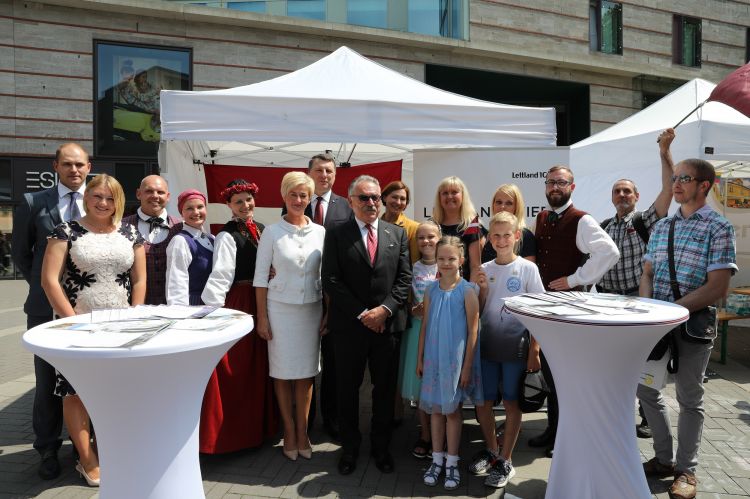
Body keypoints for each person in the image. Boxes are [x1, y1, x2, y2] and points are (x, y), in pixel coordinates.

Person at [638, 159, 736, 499]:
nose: (676, 183)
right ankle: (664, 459)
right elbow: (647, 273)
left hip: (692, 325)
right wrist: (650, 312)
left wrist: (670, 311)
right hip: (657, 322)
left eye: (684, 178)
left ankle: (686, 471)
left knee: (689, 398)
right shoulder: (663, 226)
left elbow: (717, 288)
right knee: (646, 389)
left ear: (704, 185)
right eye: (674, 177)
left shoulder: (719, 226)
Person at [40, 173, 146, 486]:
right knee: (75, 392)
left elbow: (139, 279)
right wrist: (71, 321)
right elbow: (49, 280)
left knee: (114, 391)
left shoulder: (130, 232)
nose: (103, 203)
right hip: (77, 325)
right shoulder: (66, 230)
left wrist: (135, 315)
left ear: (119, 201)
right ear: (86, 197)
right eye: (97, 196)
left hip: (120, 327)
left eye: (110, 198)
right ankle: (86, 459)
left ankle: (106, 449)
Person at [322, 175, 411, 475]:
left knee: (384, 391)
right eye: (364, 198)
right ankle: (349, 449)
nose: (371, 202)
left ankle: (381, 447)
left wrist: (384, 310)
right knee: (347, 390)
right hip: (350, 327)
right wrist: (364, 314)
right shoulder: (336, 234)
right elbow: (330, 279)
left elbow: (404, 278)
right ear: (351, 201)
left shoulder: (396, 234)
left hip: (387, 327)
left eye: (375, 197)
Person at [11, 142, 91, 480]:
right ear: (55, 166)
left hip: (89, 308)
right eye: (68, 164)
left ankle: (84, 447)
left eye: (80, 164)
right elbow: (21, 253)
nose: (74, 170)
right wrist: (45, 283)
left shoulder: (99, 200)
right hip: (45, 309)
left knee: (87, 381)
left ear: (89, 167)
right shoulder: (34, 202)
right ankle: (47, 448)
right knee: (46, 382)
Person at [530, 165, 619, 457]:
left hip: (569, 309)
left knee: (565, 377)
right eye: (551, 182)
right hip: (546, 306)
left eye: (561, 182)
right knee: (551, 373)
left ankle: (565, 439)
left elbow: (610, 252)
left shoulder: (582, 220)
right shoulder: (542, 217)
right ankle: (553, 430)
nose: (555, 187)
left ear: (572, 187)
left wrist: (575, 279)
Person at [598, 128, 676, 439]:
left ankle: (646, 416)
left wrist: (664, 152)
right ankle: (616, 413)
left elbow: (669, 189)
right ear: (612, 197)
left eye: (627, 191)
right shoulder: (604, 226)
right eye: (617, 191)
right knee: (613, 363)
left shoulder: (645, 220)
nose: (622, 195)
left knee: (642, 362)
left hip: (636, 300)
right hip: (608, 302)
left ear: (636, 197)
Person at [199, 179, 277, 453]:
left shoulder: (263, 229)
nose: (245, 205)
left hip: (263, 299)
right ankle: (233, 436)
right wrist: (214, 313)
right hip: (241, 302)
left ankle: (259, 429)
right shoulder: (226, 235)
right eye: (238, 202)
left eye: (248, 199)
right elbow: (221, 274)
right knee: (238, 367)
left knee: (260, 366)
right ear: (229, 206)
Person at [254, 172, 326, 461]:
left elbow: (326, 275)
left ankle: (303, 431)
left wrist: (328, 312)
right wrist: (262, 318)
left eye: (303, 195)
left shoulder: (320, 232)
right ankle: (289, 430)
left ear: (310, 198)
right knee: (282, 373)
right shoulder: (272, 232)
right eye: (293, 194)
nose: (298, 200)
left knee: (306, 374)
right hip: (279, 310)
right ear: (284, 196)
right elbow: (260, 278)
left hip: (311, 309)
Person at [471, 212, 545, 488]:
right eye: (496, 236)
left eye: (507, 235)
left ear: (516, 237)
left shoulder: (528, 269)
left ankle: (506, 459)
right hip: (486, 348)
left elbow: (538, 312)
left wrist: (534, 350)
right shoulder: (484, 269)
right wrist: (481, 291)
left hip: (516, 349)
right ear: (489, 238)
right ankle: (492, 452)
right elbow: (477, 312)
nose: (501, 241)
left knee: (512, 403)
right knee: (484, 402)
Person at [417, 235, 483, 490]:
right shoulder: (431, 290)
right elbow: (424, 325)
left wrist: (466, 367)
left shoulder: (467, 291)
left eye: (451, 258)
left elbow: (473, 331)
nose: (446, 263)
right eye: (441, 258)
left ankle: (452, 462)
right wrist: (420, 358)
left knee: (453, 412)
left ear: (461, 260)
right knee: (436, 410)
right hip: (433, 359)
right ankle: (436, 459)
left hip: (455, 364)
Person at [295, 152, 353, 439]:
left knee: (333, 361)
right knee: (305, 358)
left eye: (329, 171)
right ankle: (304, 420)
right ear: (309, 173)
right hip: (303, 293)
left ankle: (332, 418)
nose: (324, 175)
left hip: (336, 295)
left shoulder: (346, 206)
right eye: (319, 170)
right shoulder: (297, 202)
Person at [400, 221, 440, 459]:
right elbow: (405, 298)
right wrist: (412, 309)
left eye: (431, 236)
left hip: (442, 331)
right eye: (421, 237)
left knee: (439, 385)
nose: (426, 241)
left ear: (439, 237)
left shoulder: (448, 264)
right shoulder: (412, 267)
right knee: (421, 387)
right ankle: (425, 435)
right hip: (418, 331)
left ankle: (440, 435)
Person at [122, 175, 182, 305]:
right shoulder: (122, 226)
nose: (155, 196)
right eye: (149, 191)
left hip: (173, 307)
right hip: (132, 307)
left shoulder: (180, 228)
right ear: (138, 194)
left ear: (168, 196)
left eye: (160, 192)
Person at [166, 190, 214, 306]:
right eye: (189, 208)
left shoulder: (212, 238)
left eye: (200, 207)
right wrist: (181, 313)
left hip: (212, 305)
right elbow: (176, 282)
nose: (196, 212)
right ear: (181, 213)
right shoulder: (180, 241)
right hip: (193, 306)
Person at [431, 176, 483, 281]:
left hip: (463, 287)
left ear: (463, 195)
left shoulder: (471, 226)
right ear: (439, 197)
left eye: (454, 192)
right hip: (435, 286)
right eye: (445, 193)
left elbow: (475, 266)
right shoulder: (432, 225)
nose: (449, 196)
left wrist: (470, 289)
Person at [481, 183, 536, 263]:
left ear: (517, 207)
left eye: (509, 203)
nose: (502, 207)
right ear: (493, 205)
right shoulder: (487, 235)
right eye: (499, 202)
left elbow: (528, 270)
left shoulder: (525, 236)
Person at [381, 180, 420, 264]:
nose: (398, 202)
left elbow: (414, 263)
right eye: (394, 197)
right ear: (384, 198)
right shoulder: (374, 225)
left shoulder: (414, 228)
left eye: (402, 199)